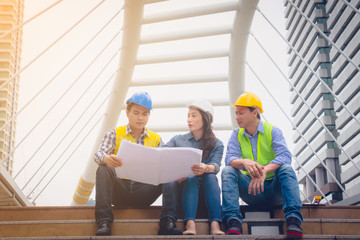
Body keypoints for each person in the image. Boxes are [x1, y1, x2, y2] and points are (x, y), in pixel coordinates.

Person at [221, 92, 303, 238]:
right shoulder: (236, 134)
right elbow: (229, 158)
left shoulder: (273, 131)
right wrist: (244, 162)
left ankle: (293, 220)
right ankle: (233, 221)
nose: (236, 117)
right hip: (251, 190)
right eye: (236, 113)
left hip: (274, 190)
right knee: (228, 170)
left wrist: (263, 170)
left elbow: (285, 156)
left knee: (286, 168)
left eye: (241, 113)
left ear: (255, 112)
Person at [94, 91, 163, 236]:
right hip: (120, 191)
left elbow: (164, 163)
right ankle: (104, 221)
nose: (140, 117)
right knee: (103, 168)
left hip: (144, 192)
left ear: (149, 115)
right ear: (127, 113)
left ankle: (168, 221)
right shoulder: (114, 134)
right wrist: (107, 159)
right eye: (136, 113)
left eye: (145, 114)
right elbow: (98, 154)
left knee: (169, 175)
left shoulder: (156, 139)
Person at [158, 100, 224, 235]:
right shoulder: (178, 140)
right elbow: (162, 155)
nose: (189, 119)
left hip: (205, 194)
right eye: (188, 116)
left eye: (194, 116)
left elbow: (216, 166)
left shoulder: (217, 144)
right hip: (184, 191)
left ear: (206, 119)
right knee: (192, 177)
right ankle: (190, 224)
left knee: (211, 176)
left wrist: (205, 168)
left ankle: (215, 225)